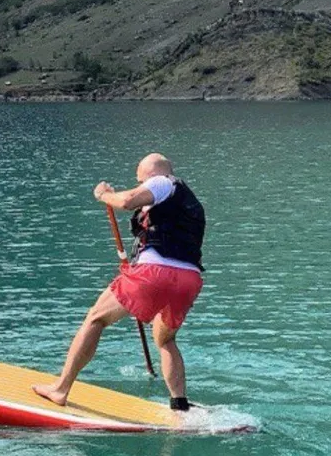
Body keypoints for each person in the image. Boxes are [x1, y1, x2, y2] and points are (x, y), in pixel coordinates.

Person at [33, 153, 205, 410]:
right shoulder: (187, 202)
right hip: (189, 280)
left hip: (155, 275)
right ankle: (179, 404)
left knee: (96, 318)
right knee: (165, 339)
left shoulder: (162, 183)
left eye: (139, 180)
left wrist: (103, 195)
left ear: (151, 175)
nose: (139, 186)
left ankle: (60, 389)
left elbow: (126, 200)